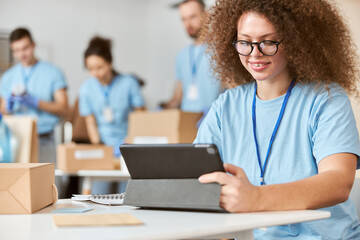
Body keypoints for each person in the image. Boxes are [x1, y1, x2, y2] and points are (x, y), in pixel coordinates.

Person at [194, 0, 360, 238]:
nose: (255, 53)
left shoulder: (326, 98)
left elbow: (338, 182)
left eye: (268, 42)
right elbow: (195, 177)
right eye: (245, 42)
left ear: (295, 41)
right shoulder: (225, 105)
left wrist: (256, 197)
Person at [0, 28, 68, 163]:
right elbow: (3, 111)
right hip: (16, 139)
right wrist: (8, 106)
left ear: (33, 45)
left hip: (44, 139)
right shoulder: (8, 77)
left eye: (25, 48)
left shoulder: (53, 72)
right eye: (16, 50)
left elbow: (64, 108)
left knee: (45, 182)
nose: (21, 54)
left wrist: (36, 102)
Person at [79, 36, 145, 162]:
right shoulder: (86, 89)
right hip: (103, 146)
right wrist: (99, 147)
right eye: (90, 69)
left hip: (129, 145)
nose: (95, 73)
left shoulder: (129, 83)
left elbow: (140, 115)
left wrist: (129, 142)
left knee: (127, 181)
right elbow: (90, 123)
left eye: (100, 67)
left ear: (110, 63)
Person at [161, 0, 221, 113]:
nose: (187, 24)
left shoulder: (221, 49)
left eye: (192, 17)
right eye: (183, 19)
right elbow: (178, 98)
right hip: (187, 121)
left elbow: (234, 88)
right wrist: (161, 108)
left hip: (213, 118)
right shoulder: (181, 56)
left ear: (206, 15)